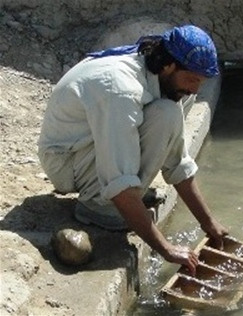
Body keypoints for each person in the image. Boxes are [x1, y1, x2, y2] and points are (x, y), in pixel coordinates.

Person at [38, 25, 228, 274]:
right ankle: (97, 205)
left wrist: (209, 223)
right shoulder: (120, 90)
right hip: (67, 160)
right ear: (169, 65)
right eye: (192, 79)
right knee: (167, 115)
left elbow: (177, 162)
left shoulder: (165, 81)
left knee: (168, 113)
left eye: (201, 82)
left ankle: (118, 197)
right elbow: (120, 181)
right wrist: (166, 248)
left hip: (90, 144)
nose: (195, 89)